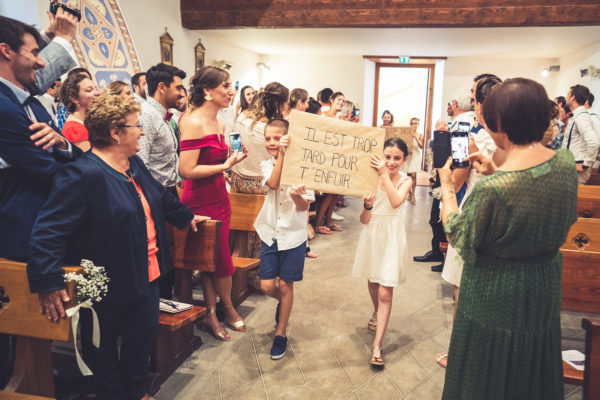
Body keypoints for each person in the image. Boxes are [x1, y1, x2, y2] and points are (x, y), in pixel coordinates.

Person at [26, 94, 207, 400]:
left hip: (148, 277)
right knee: (102, 353)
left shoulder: (133, 162)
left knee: (139, 347)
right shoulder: (83, 174)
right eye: (136, 126)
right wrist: (47, 282)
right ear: (115, 132)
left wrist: (185, 216)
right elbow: (48, 231)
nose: (142, 131)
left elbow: (158, 195)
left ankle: (136, 394)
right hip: (106, 284)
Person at [438, 78, 578, 400]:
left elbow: (458, 233)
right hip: (542, 284)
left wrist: (446, 186)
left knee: (488, 369)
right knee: (530, 366)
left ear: (498, 122)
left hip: (496, 290)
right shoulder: (564, 164)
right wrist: (493, 171)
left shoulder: (493, 189)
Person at [0, 16, 80, 261]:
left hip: (43, 228)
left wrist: (63, 143)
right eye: (34, 53)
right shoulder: (4, 107)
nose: (42, 62)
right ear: (6, 51)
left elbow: (61, 153)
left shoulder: (30, 101)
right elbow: (46, 169)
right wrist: (102, 179)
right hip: (21, 234)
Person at [436, 75, 501, 368]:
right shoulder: (510, 139)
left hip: (472, 213)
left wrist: (445, 189)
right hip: (499, 221)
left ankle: (460, 353)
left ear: (478, 105)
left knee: (462, 290)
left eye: (473, 98)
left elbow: (458, 178)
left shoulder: (466, 136)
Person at [179, 66, 248, 341]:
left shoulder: (220, 122)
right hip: (199, 199)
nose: (231, 91)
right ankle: (224, 309)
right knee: (216, 261)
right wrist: (224, 165)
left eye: (231, 86)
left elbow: (218, 161)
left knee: (217, 259)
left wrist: (230, 162)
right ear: (208, 91)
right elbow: (186, 170)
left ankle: (215, 311)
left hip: (221, 195)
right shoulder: (193, 122)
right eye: (226, 86)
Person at [254, 118, 314, 360]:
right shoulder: (267, 164)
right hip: (270, 232)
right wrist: (281, 155)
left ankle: (281, 333)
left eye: (277, 138)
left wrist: (297, 195)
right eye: (268, 138)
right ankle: (284, 304)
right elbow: (273, 183)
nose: (271, 143)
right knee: (267, 285)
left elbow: (303, 207)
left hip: (293, 235)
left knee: (285, 285)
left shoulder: (304, 168)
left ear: (288, 139)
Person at [352, 137, 412, 368]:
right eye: (387, 157)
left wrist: (384, 175)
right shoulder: (371, 179)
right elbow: (364, 219)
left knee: (386, 291)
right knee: (373, 281)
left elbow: (396, 201)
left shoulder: (406, 181)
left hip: (392, 238)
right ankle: (377, 312)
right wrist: (367, 205)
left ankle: (377, 346)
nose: (391, 162)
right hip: (373, 235)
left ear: (404, 159)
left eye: (397, 158)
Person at [315, 92, 345, 234]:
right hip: (325, 158)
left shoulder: (339, 119)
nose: (341, 102)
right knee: (328, 192)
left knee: (335, 192)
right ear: (331, 100)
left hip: (336, 158)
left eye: (343, 101)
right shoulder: (323, 116)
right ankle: (318, 224)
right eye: (339, 99)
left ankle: (328, 222)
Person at [562, 84, 599, 184]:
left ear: (573, 97)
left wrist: (585, 165)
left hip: (577, 169)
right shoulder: (577, 116)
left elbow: (594, 142)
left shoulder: (582, 117)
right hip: (571, 167)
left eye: (567, 95)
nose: (565, 98)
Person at [60, 72, 100, 151]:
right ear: (75, 99)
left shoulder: (88, 121)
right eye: (89, 90)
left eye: (96, 89)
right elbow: (90, 160)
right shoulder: (74, 129)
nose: (97, 93)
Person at [402, 117, 424, 204]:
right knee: (408, 175)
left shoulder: (420, 135)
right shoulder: (407, 134)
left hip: (415, 155)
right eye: (412, 123)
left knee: (414, 175)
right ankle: (409, 193)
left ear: (417, 125)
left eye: (415, 123)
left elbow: (421, 147)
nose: (413, 125)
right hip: (408, 155)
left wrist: (416, 138)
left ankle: (413, 194)